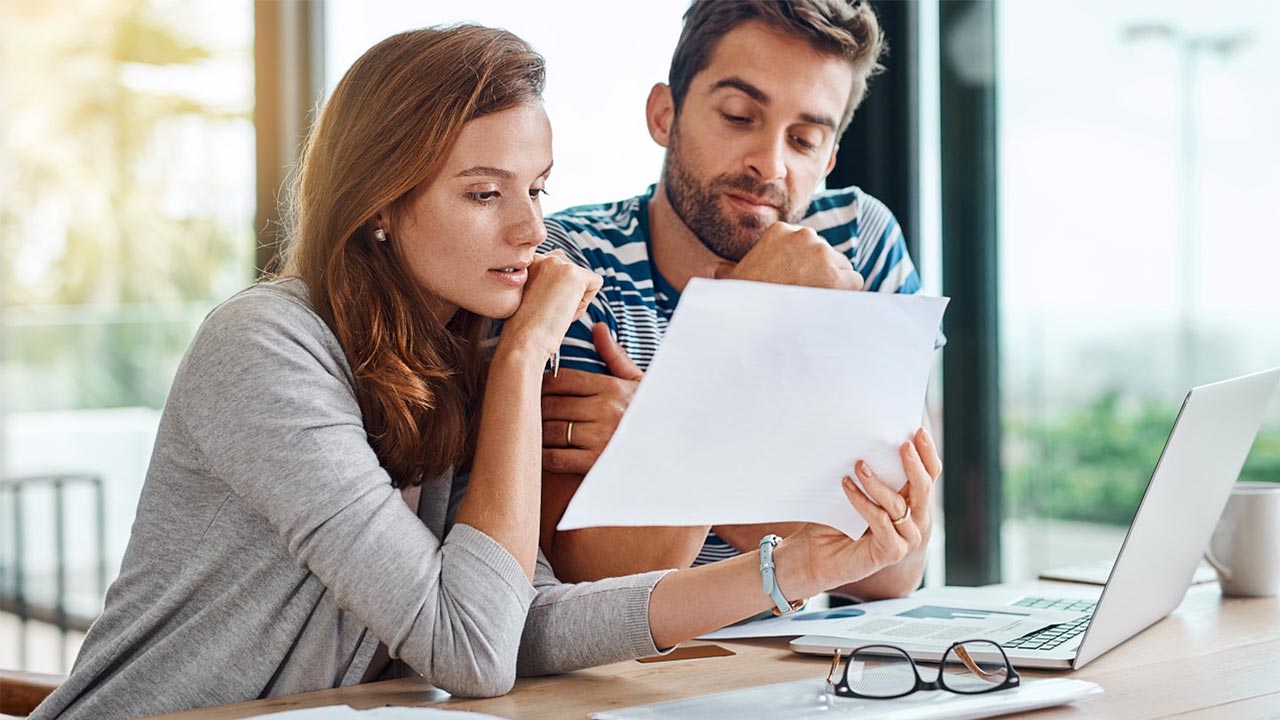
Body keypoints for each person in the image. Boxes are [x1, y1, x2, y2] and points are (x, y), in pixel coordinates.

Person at [32, 23, 937, 720]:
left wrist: (792, 569)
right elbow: (466, 650)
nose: (531, 231)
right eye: (483, 192)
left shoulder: (451, 352)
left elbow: (518, 619)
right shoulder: (267, 347)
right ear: (382, 203)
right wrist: (523, 365)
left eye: (537, 189)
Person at [538, 0, 941, 598]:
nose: (770, 164)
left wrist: (654, 428)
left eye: (803, 139)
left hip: (811, 665)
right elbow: (594, 580)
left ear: (828, 158)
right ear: (664, 115)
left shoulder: (858, 240)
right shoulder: (572, 262)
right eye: (737, 116)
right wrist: (748, 314)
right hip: (634, 675)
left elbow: (895, 565)